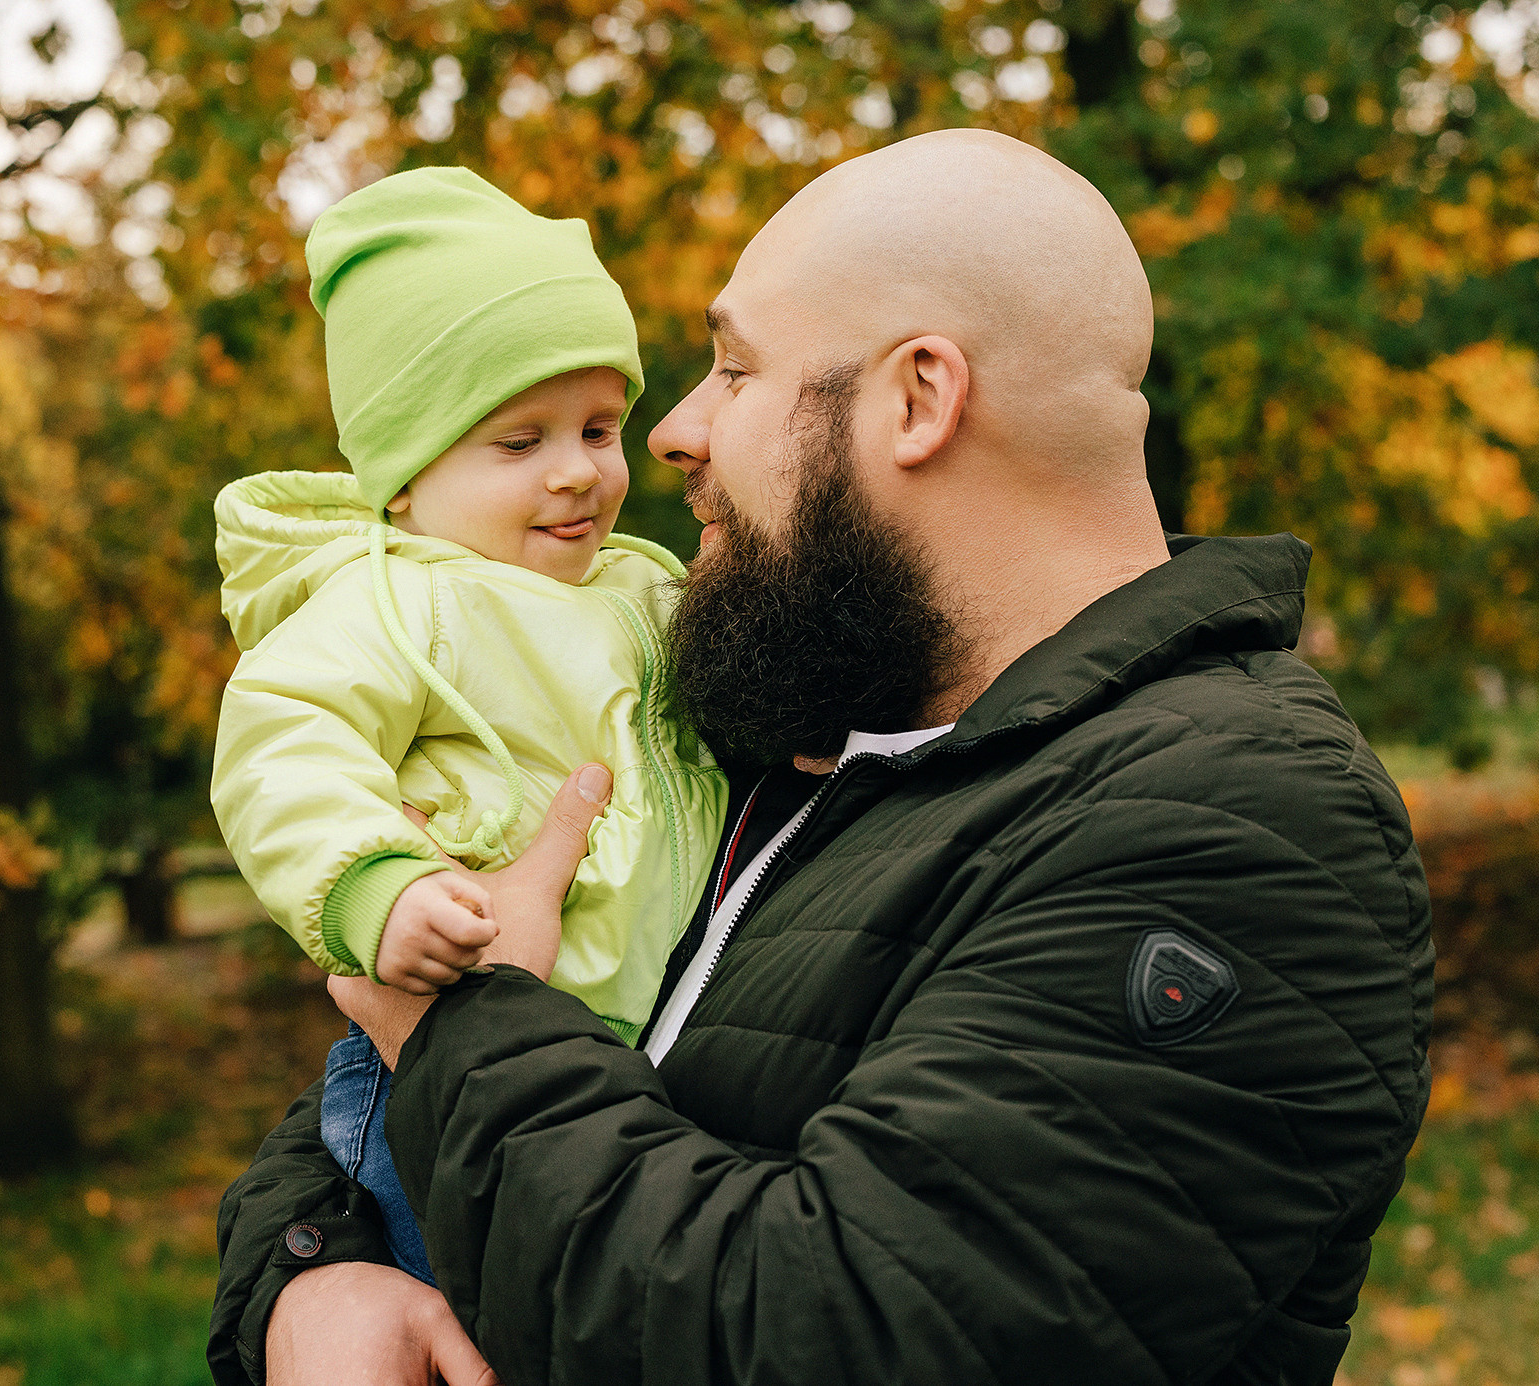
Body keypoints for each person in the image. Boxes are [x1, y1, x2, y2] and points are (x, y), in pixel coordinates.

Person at [208, 130, 1433, 1386]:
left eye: (735, 369)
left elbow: (835, 1333)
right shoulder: (812, 733)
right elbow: (412, 1067)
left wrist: (458, 1025)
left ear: (917, 399)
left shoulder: (1232, 822)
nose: (671, 431)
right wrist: (306, 1276)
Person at [209, 167, 726, 1284]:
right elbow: (283, 737)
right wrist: (379, 889)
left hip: (635, 1052)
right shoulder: (400, 602)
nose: (576, 471)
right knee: (463, 1304)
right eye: (518, 443)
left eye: (598, 427)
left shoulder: (642, 590)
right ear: (404, 478)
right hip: (451, 1058)